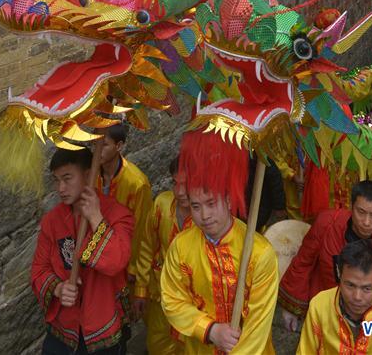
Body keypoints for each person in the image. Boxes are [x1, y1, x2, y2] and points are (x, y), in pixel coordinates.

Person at [160, 131, 279, 353]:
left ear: (227, 199)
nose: (204, 215)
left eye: (211, 203)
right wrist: (210, 330)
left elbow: (257, 326)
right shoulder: (181, 246)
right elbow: (172, 300)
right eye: (196, 206)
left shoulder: (259, 253)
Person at [31, 147, 134, 355]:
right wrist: (58, 288)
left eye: (67, 178)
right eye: (56, 180)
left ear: (88, 175)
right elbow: (39, 269)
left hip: (102, 328)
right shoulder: (52, 220)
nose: (60, 188)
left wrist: (96, 218)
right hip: (63, 328)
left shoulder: (119, 214)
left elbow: (116, 262)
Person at [279, 180, 372, 329]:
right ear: (351, 207)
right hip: (323, 315)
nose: (366, 222)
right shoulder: (327, 224)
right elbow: (303, 262)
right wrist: (291, 307)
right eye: (361, 212)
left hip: (367, 326)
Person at [296, 239, 372, 354]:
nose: (357, 297)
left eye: (367, 288)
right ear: (339, 276)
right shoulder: (319, 305)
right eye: (350, 285)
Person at [133, 156, 192, 355]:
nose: (180, 192)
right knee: (157, 345)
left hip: (192, 306)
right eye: (176, 183)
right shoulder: (162, 205)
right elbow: (146, 247)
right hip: (160, 299)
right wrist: (141, 289)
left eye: (187, 184)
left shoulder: (208, 218)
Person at [96, 122, 153, 284]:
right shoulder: (91, 175)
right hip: (97, 256)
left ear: (119, 146)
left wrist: (135, 270)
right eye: (95, 144)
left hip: (125, 261)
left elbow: (143, 231)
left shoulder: (137, 183)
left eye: (104, 145)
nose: (97, 150)